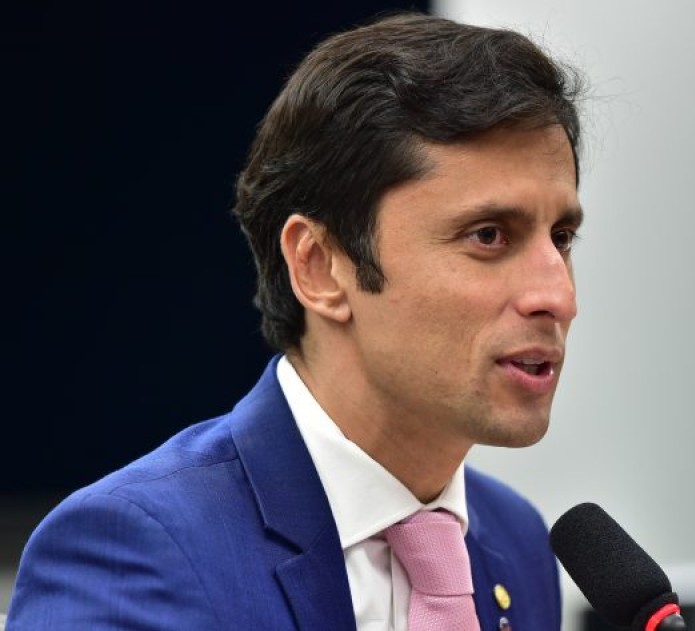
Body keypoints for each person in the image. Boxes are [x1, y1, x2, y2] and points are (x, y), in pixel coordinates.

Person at [6, 12, 585, 631]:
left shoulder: (519, 544)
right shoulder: (135, 552)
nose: (559, 296)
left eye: (561, 237)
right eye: (489, 235)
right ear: (319, 267)